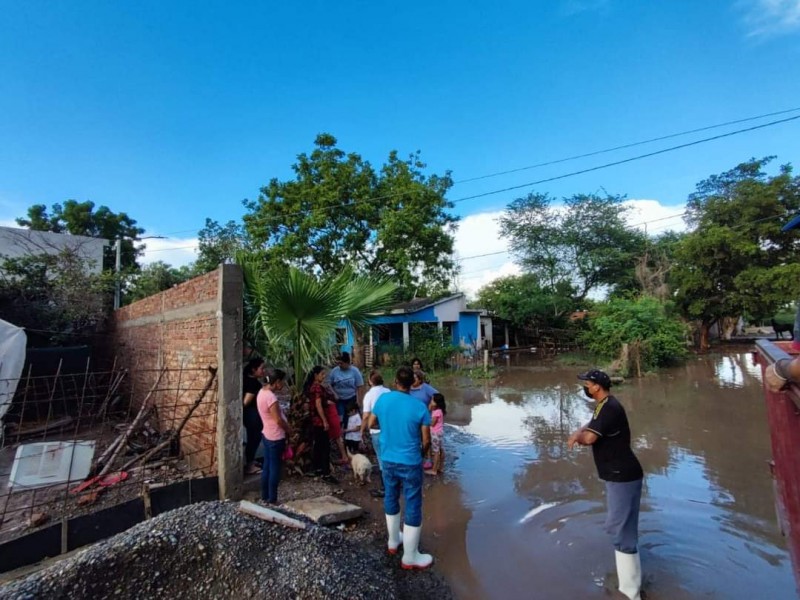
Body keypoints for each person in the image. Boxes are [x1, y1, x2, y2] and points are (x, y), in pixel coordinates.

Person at [567, 369, 644, 600]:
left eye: (588, 384)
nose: (586, 388)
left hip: (623, 475)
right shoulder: (604, 405)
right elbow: (590, 425)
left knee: (621, 530)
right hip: (618, 475)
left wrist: (578, 438)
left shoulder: (609, 407)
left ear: (597, 387)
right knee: (620, 528)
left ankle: (630, 593)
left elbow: (590, 438)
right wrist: (578, 431)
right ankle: (631, 585)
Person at [368, 366, 433, 570]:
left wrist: (389, 430)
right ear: (412, 384)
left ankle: (393, 541)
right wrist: (420, 456)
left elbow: (372, 422)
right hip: (411, 461)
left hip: (388, 458)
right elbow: (427, 440)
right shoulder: (419, 407)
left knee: (390, 495)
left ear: (395, 382)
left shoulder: (383, 400)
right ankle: (410, 556)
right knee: (413, 502)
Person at [256, 369, 292, 504]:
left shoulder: (261, 393)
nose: (283, 385)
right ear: (277, 382)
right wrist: (289, 430)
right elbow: (278, 420)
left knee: (267, 466)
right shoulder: (271, 397)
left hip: (267, 434)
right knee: (275, 468)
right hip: (275, 436)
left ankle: (265, 496)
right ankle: (272, 498)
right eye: (282, 382)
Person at [303, 366, 339, 484]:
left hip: (314, 420)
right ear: (316, 375)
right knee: (325, 446)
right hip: (319, 421)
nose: (324, 377)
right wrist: (324, 420)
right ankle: (326, 472)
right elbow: (318, 404)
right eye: (322, 374)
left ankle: (317, 468)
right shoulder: (317, 388)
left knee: (318, 445)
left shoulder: (313, 387)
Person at [361, 369, 391, 498]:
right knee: (390, 456)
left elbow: (366, 415)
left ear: (370, 381)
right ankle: (394, 483)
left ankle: (385, 488)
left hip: (376, 430)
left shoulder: (369, 395)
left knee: (381, 458)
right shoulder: (388, 392)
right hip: (390, 429)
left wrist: (362, 430)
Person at [328, 351, 364, 428]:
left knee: (350, 417)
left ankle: (349, 433)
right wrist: (334, 394)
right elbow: (329, 384)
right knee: (340, 417)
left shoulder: (355, 371)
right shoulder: (335, 371)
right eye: (338, 363)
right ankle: (341, 433)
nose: (339, 365)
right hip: (339, 399)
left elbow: (359, 386)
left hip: (351, 398)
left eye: (341, 363)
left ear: (347, 362)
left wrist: (359, 400)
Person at [243, 357, 266, 475]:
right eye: (261, 368)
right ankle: (250, 464)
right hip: (252, 415)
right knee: (254, 439)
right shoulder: (253, 384)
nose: (263, 371)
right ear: (254, 369)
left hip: (250, 415)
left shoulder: (245, 378)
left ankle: (250, 462)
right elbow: (246, 402)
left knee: (252, 438)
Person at [426, 393, 446, 476]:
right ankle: (441, 467)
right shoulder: (440, 410)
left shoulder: (436, 412)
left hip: (435, 433)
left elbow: (432, 423)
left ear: (436, 403)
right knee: (441, 449)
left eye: (432, 400)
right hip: (440, 432)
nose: (430, 401)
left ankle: (434, 470)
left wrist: (425, 421)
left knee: (436, 452)